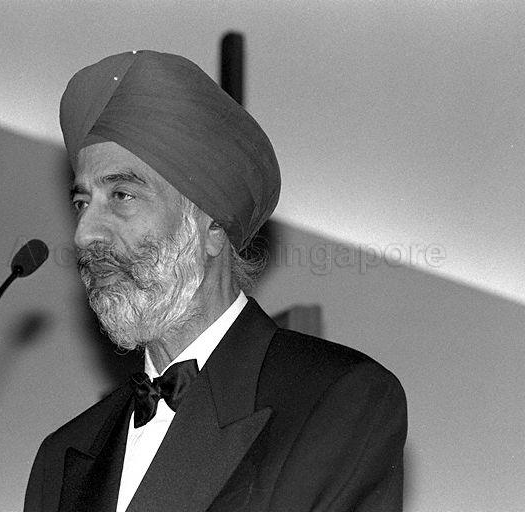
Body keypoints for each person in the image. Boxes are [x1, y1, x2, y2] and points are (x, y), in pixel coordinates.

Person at [24, 50, 407, 512]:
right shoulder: (63, 455)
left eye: (121, 195)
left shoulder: (338, 402)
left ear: (211, 226)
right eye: (82, 203)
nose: (85, 234)